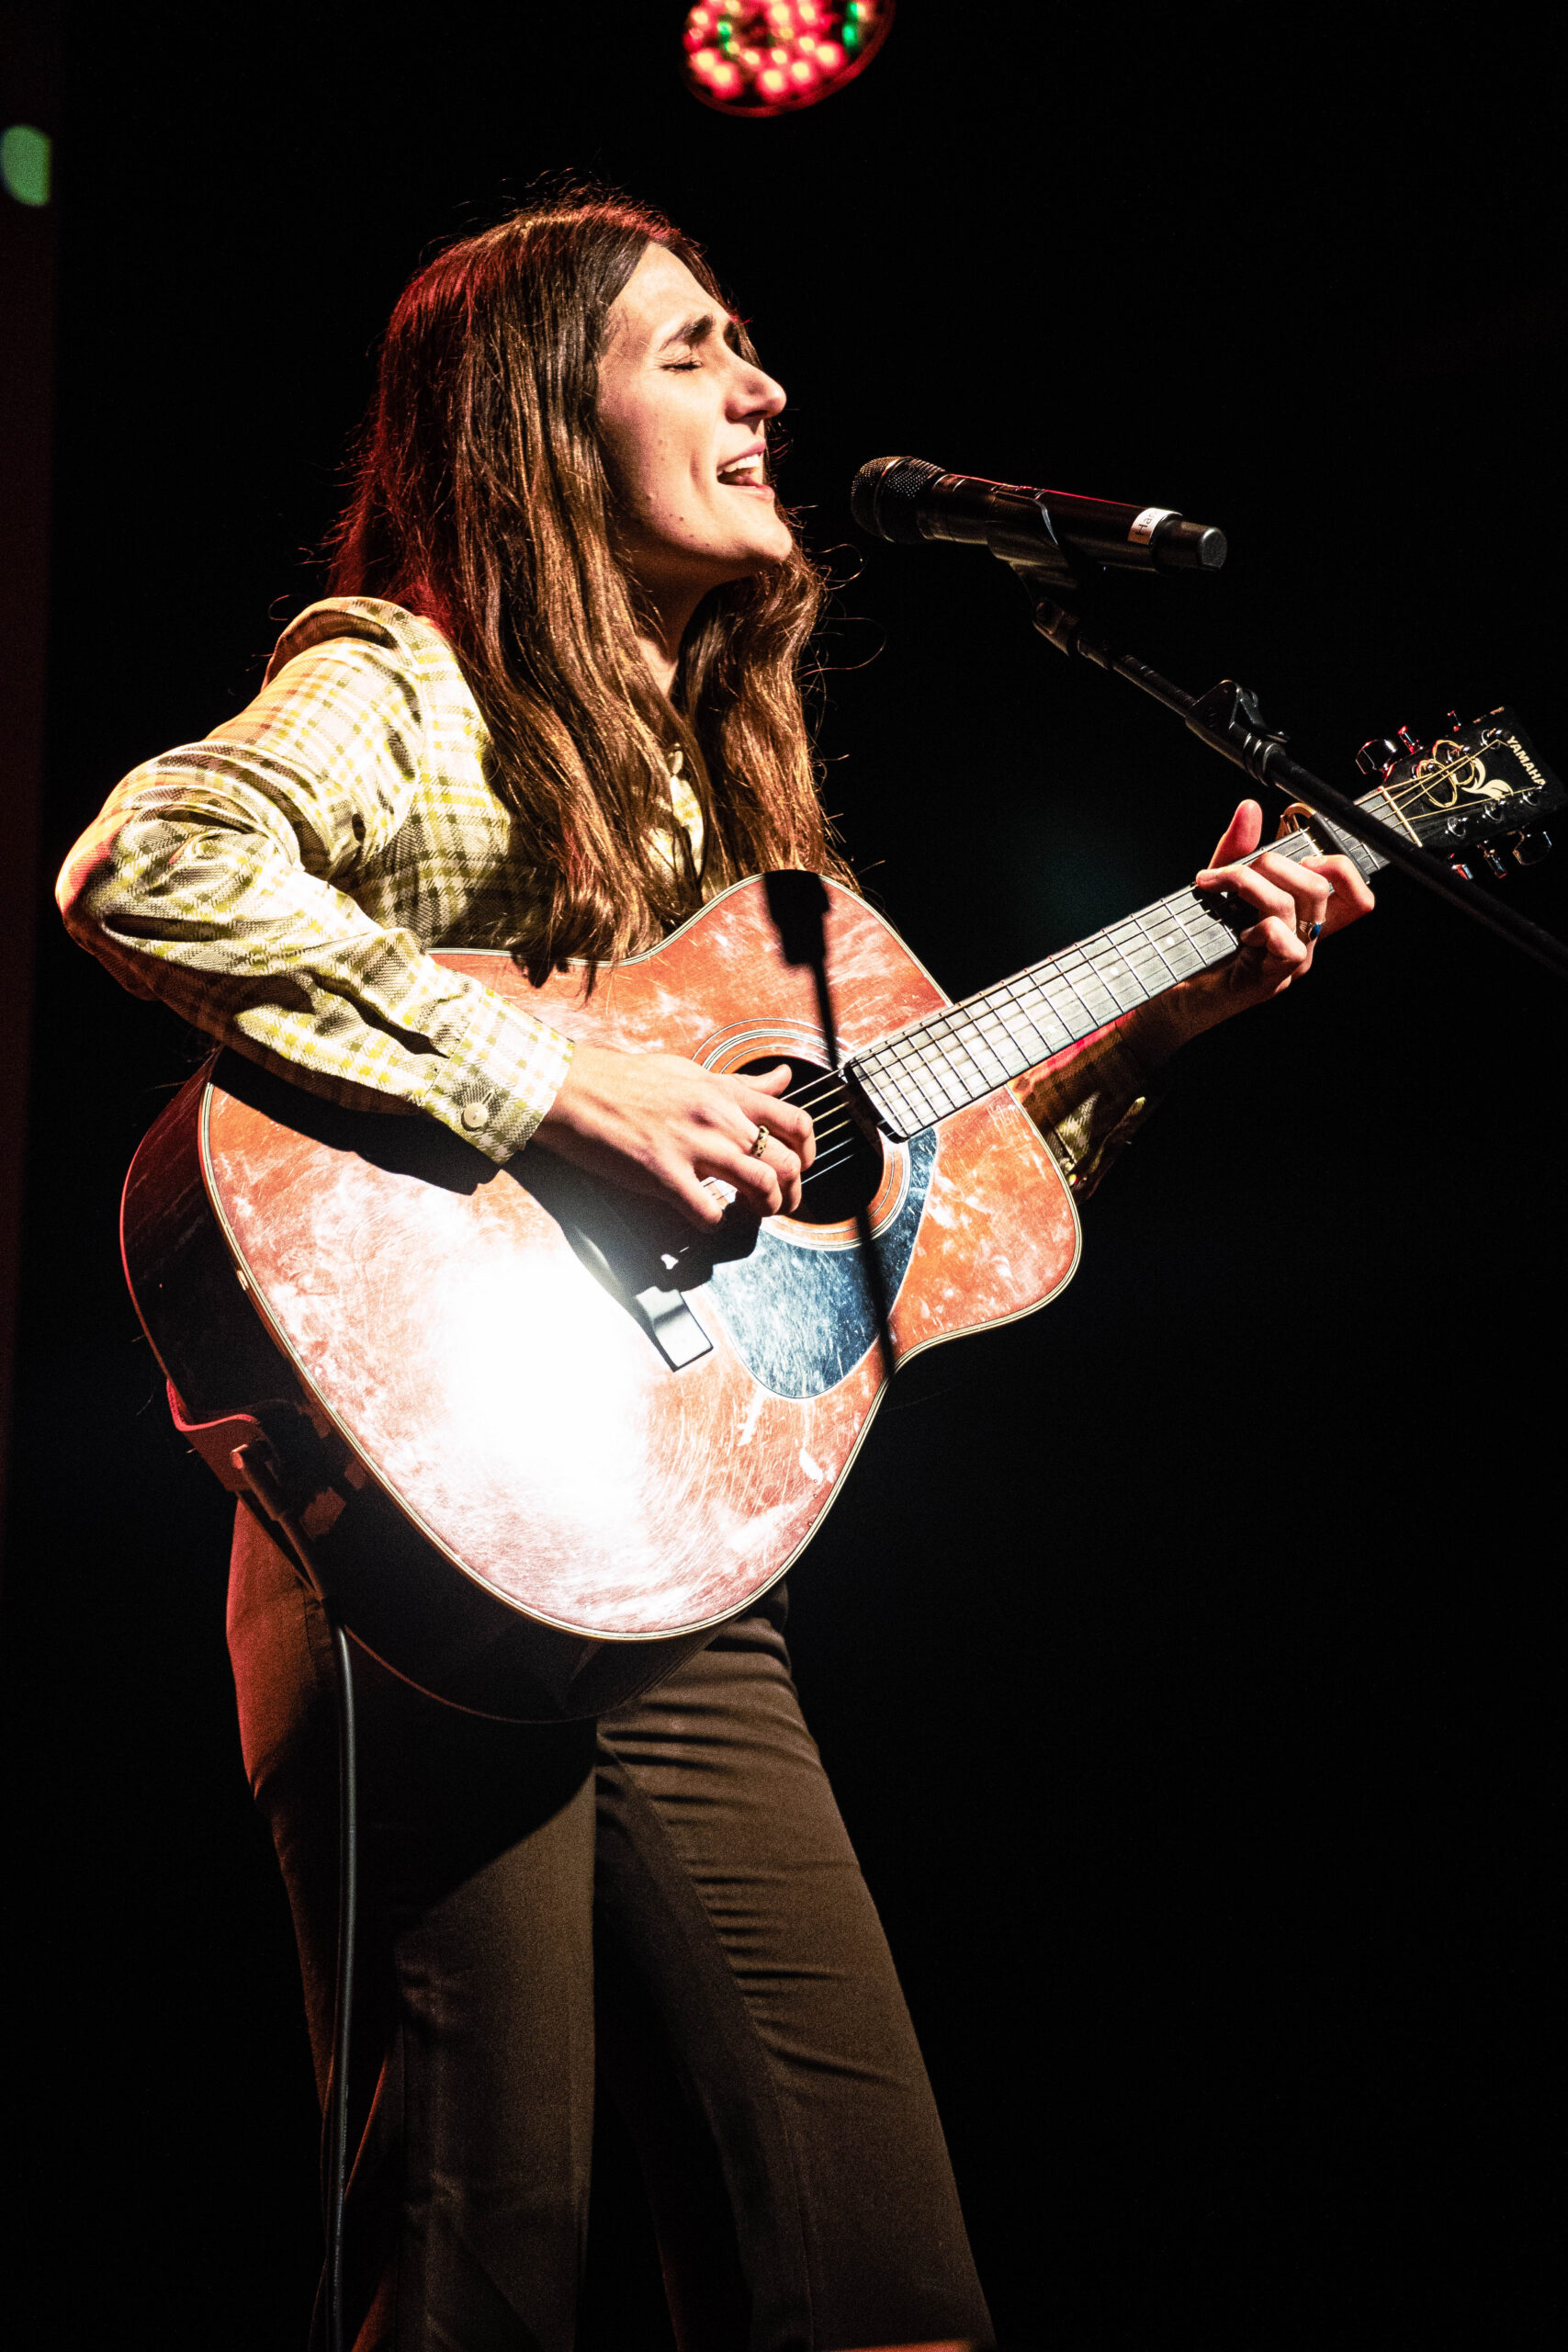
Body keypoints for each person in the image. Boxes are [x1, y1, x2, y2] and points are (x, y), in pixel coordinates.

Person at [56, 197, 1374, 2352]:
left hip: (673, 1558)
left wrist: (1158, 1018)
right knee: (478, 2255)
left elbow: (905, 1211)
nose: (763, 388)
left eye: (747, 347)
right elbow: (156, 864)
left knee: (880, 2283)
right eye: (690, 350)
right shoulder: (407, 684)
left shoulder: (728, 806)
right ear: (531, 422)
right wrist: (551, 1081)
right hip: (406, 1531)